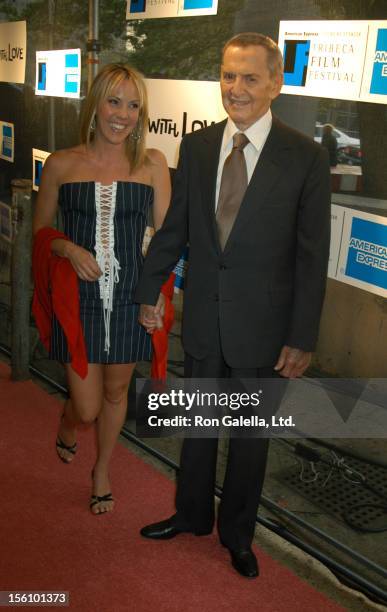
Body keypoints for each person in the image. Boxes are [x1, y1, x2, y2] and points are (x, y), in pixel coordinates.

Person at [135, 33, 331, 577]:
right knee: (197, 429)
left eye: (249, 77)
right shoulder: (197, 148)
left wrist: (302, 337)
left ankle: (238, 536)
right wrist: (149, 288)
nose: (236, 88)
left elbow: (312, 258)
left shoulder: (307, 157)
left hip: (265, 329)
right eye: (227, 75)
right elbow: (176, 229)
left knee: (249, 442)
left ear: (276, 82)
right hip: (203, 316)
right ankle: (190, 514)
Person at [32, 63, 170, 515]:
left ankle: (103, 470)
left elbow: (165, 239)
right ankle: (70, 423)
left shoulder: (152, 164)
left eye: (133, 105)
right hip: (79, 300)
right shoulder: (61, 163)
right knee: (88, 406)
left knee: (117, 394)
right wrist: (69, 249)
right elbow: (40, 234)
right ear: (95, 104)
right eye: (114, 101)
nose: (122, 115)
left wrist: (161, 294)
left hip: (132, 295)